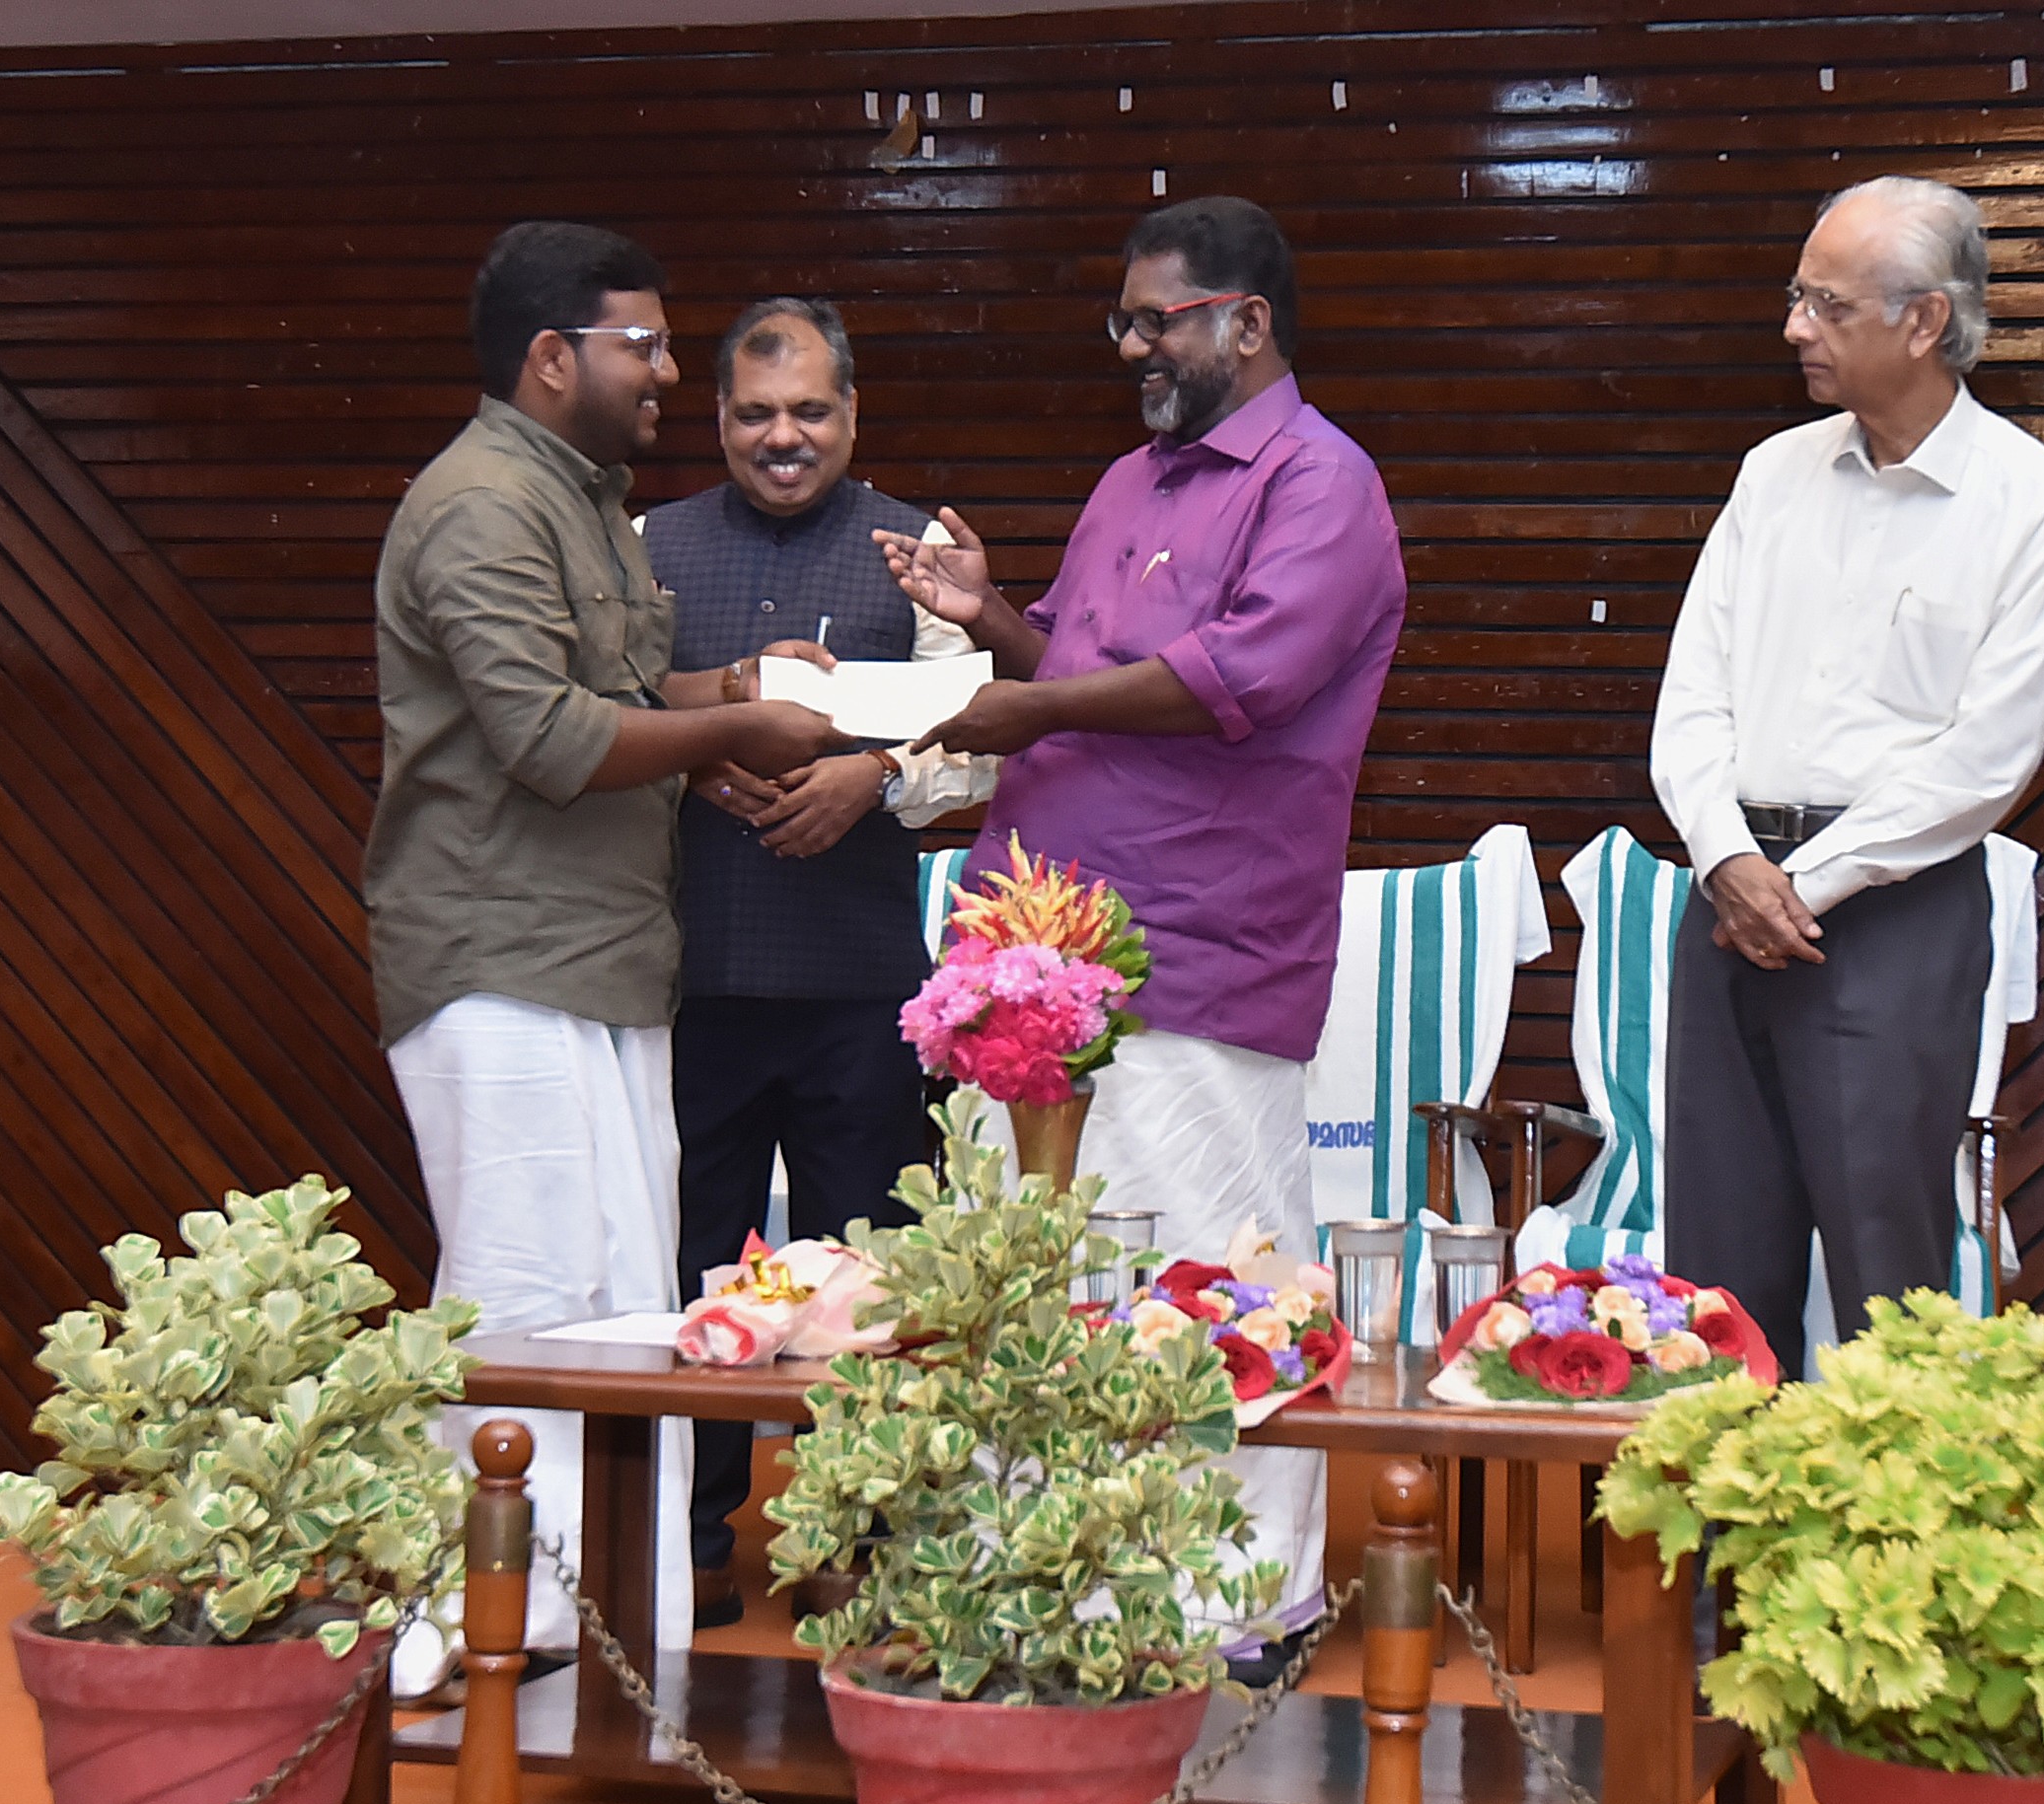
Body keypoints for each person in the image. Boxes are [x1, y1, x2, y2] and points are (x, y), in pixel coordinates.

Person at [877, 197, 1406, 1668]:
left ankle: (1234, 1611)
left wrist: (1025, 701)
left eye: (1154, 320)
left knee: (1208, 1279)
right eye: (1120, 321)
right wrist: (993, 618)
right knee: (1033, 1284)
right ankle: (1052, 1591)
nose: (1129, 347)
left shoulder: (1322, 482)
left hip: (1195, 951)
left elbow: (1231, 678)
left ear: (1248, 321)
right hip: (1032, 955)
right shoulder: (1128, 480)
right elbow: (1077, 666)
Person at [366, 221, 835, 1687]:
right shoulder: (479, 507)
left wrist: (728, 688)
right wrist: (739, 727)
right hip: (502, 965)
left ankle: (591, 1632)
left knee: (620, 1307)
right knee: (524, 1312)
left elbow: (615, 692)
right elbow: (549, 736)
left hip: (605, 964)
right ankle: (480, 1631)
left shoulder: (576, 500)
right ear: (551, 358)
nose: (668, 370)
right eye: (643, 343)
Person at [1645, 175, 2044, 1381]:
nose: (1794, 326)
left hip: (1892, 910)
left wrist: (1803, 885)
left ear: (1924, 321)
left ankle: (1887, 1510)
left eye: (1826, 304)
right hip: (1727, 897)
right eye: (1798, 297)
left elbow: (1984, 759)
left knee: (1883, 1272)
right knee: (1714, 1280)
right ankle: (1722, 1514)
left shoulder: (2035, 500)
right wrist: (1726, 857)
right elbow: (1690, 698)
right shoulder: (1770, 473)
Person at [637, 297, 988, 1629]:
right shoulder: (645, 548)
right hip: (691, 986)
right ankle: (687, 1545)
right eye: (753, 413)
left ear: (851, 414)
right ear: (718, 419)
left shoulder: (919, 552)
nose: (780, 437)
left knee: (869, 1276)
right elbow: (595, 716)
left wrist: (873, 776)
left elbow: (979, 740)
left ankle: (868, 1541)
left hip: (857, 987)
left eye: (807, 411)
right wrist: (691, 755)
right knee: (689, 1273)